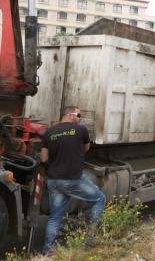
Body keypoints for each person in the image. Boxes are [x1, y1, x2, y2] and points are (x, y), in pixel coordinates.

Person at [41, 106, 106, 254]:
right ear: (70, 115)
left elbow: (44, 158)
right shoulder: (80, 130)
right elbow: (86, 148)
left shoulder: (49, 132)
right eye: (79, 115)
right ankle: (89, 242)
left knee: (54, 217)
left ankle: (48, 251)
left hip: (53, 181)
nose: (80, 118)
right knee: (99, 199)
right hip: (72, 179)